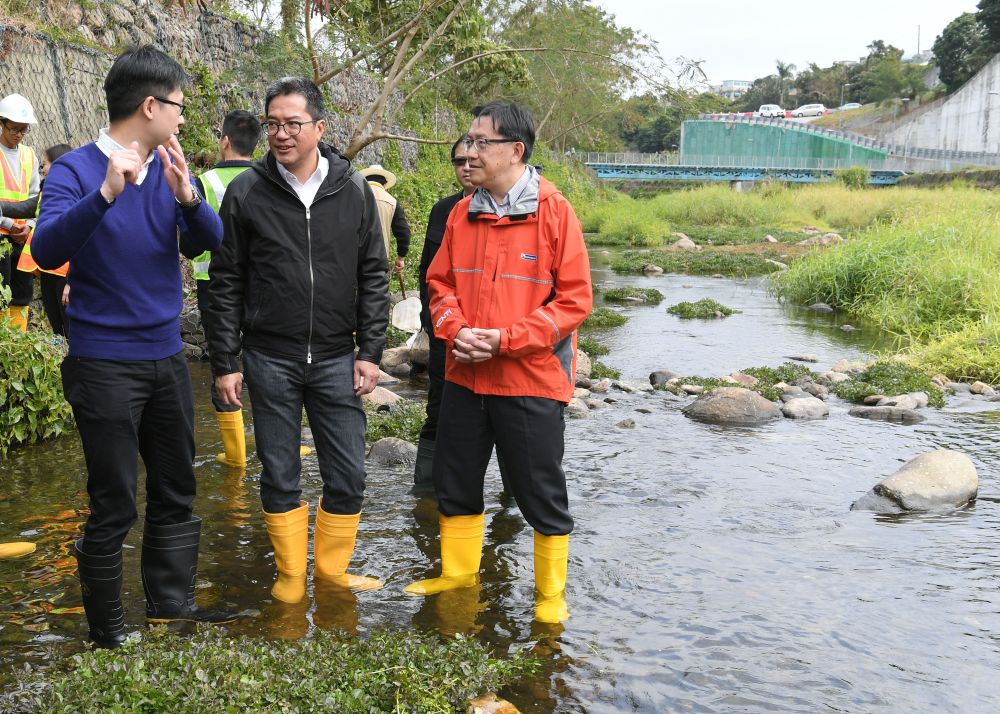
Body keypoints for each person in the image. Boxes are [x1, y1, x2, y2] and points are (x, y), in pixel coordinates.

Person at [31, 46, 240, 649]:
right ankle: (108, 628)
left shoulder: (176, 167)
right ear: (150, 105)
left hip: (167, 356)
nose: (182, 118)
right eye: (177, 105)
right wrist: (105, 194)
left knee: (176, 485)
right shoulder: (74, 170)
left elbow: (210, 245)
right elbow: (46, 251)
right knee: (113, 497)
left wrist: (188, 198)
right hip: (102, 363)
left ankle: (169, 604)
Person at [404, 102, 593, 624]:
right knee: (456, 480)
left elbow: (575, 302)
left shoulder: (555, 211)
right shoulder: (464, 212)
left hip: (530, 381)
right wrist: (457, 330)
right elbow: (438, 283)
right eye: (468, 140)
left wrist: (504, 341)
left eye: (481, 141)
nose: (470, 150)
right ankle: (457, 577)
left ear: (516, 150)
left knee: (540, 491)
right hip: (466, 376)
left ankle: (550, 596)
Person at [205, 76, 389, 605]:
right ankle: (289, 575)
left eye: (292, 123)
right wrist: (226, 360)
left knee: (348, 474)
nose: (281, 134)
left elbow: (373, 273)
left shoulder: (352, 190)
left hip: (337, 356)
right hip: (269, 357)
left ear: (320, 127)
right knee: (280, 473)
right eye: (273, 124)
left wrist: (370, 352)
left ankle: (330, 574)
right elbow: (225, 281)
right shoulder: (247, 191)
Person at [183, 110, 261, 468]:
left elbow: (190, 239)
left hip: (213, 285)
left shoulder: (202, 182)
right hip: (261, 286)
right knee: (267, 361)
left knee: (224, 364)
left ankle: (236, 456)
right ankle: (278, 447)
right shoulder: (270, 179)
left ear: (225, 141)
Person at [411, 135, 475, 494]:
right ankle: (426, 491)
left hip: (490, 338)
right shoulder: (443, 209)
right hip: (443, 334)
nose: (465, 167)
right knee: (438, 409)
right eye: (458, 161)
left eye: (471, 159)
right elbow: (428, 271)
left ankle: (510, 497)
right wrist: (429, 320)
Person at [16, 143, 74, 336]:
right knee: (57, 326)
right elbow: (28, 207)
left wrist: (72, 281)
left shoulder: (73, 193)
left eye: (45, 164)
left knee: (69, 326)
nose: (43, 169)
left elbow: (80, 239)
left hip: (65, 272)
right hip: (48, 267)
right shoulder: (47, 189)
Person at [0, 93, 41, 332]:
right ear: (2, 122)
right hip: (2, 234)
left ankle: (19, 343)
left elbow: (37, 197)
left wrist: (29, 225)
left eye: (24, 130)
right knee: (1, 292)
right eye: (14, 128)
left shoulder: (29, 155)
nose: (19, 134)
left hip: (23, 236)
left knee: (22, 292)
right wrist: (8, 222)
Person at [360, 164, 410, 277]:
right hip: (379, 260)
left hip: (354, 259)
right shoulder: (392, 202)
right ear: (385, 183)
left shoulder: (354, 196)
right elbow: (404, 233)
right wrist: (401, 258)